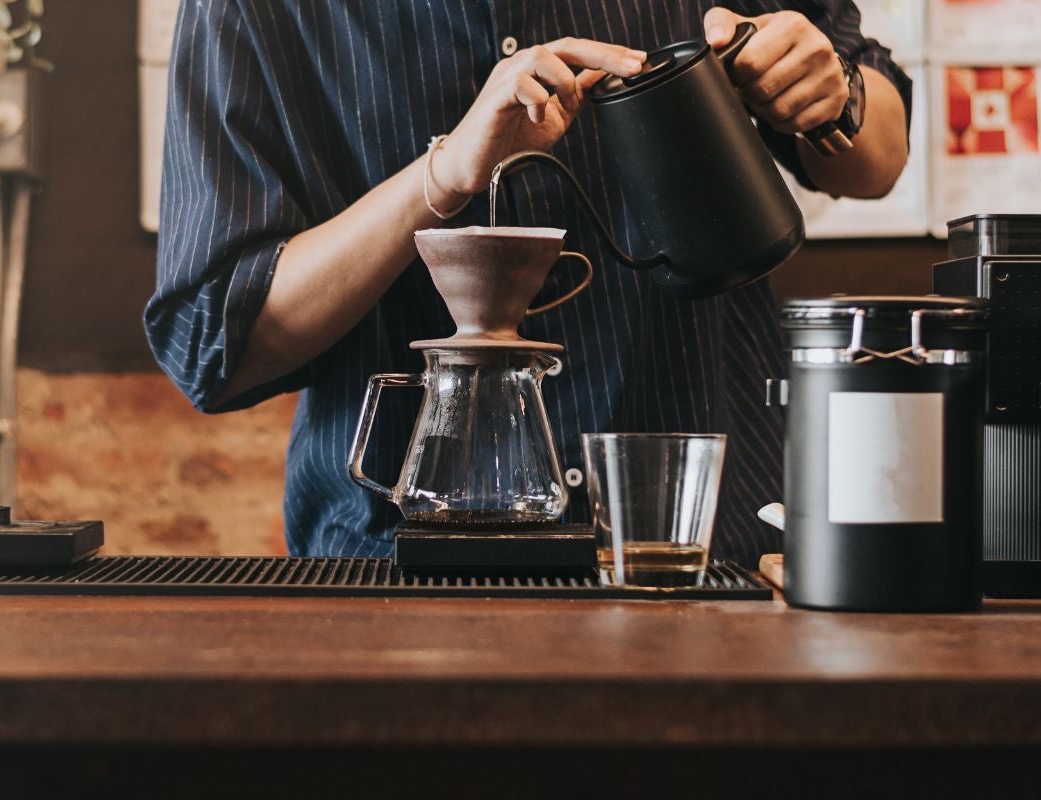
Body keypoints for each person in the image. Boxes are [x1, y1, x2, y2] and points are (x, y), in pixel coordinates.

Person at [145, 1, 911, 564]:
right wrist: (442, 176)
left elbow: (879, 157)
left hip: (695, 550)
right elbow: (216, 343)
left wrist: (834, 90)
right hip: (394, 573)